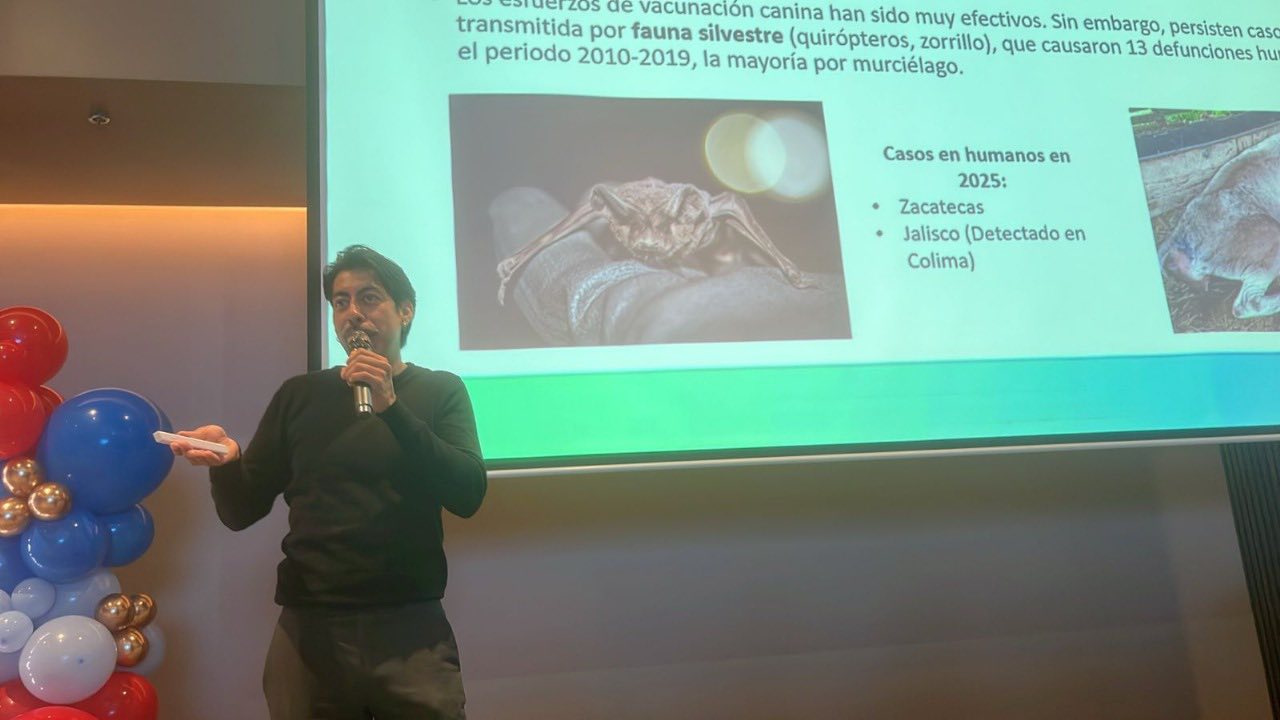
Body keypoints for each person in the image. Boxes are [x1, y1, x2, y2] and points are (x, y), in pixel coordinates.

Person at [170, 245, 486, 719]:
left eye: (369, 297)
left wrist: (391, 408)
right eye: (341, 302)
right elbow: (240, 512)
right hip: (309, 632)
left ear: (405, 310)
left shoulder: (441, 391)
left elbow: (467, 493)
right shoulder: (299, 396)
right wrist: (227, 462)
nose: (353, 312)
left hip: (411, 630)